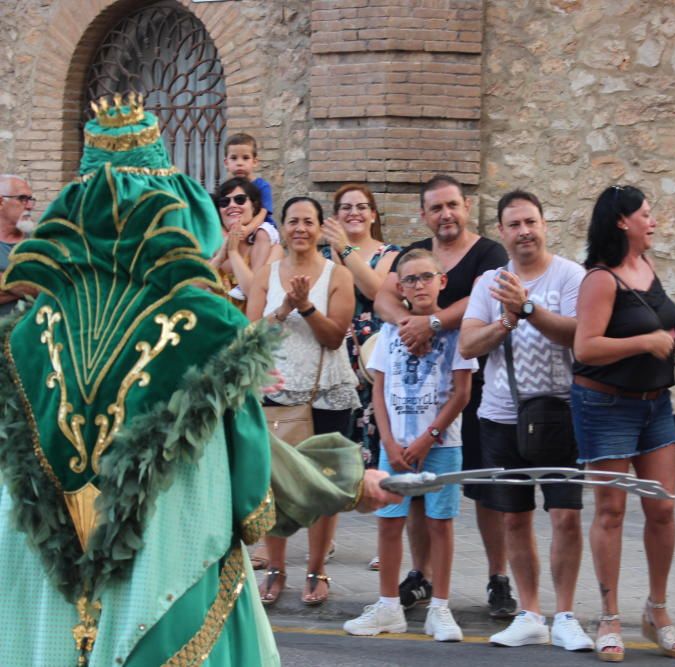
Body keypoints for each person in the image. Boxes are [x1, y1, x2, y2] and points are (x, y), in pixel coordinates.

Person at [0, 94, 394, 667]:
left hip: (44, 587)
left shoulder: (26, 334)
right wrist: (344, 479)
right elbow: (253, 479)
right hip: (166, 566)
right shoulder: (207, 324)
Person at [572, 184, 675, 662]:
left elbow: (654, 317)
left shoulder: (646, 267)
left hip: (656, 406)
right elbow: (585, 347)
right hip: (605, 406)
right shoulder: (600, 279)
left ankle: (657, 609)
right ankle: (608, 616)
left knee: (663, 509)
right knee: (610, 512)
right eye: (646, 214)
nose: (654, 221)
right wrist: (644, 343)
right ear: (622, 222)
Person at [374, 174, 515, 616]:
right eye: (436, 208)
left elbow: (481, 298)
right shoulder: (416, 253)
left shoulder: (489, 253)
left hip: (480, 387)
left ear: (467, 206)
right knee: (419, 489)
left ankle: (498, 578)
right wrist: (407, 325)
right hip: (422, 398)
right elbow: (382, 296)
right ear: (424, 214)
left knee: (484, 490)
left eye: (452, 205)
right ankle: (423, 576)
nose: (445, 215)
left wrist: (432, 324)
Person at [459, 190, 594, 651]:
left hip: (559, 414)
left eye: (531, 222)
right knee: (514, 519)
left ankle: (568, 614)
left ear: (544, 224)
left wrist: (530, 309)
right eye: (514, 225)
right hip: (500, 417)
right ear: (502, 231)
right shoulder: (487, 284)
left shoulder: (572, 276)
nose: (524, 232)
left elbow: (579, 335)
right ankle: (531, 612)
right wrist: (507, 322)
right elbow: (468, 346)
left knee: (565, 517)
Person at [345, 248, 476, 642]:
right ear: (399, 286)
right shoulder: (389, 333)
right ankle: (388, 605)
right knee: (389, 523)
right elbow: (380, 391)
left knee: (440, 523)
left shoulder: (456, 331)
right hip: (395, 445)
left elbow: (461, 393)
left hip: (440, 443)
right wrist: (387, 439)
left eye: (426, 277)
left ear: (442, 282)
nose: (419, 285)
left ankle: (441, 607)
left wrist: (428, 438)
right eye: (411, 279)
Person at [246, 196, 361, 607]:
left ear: (319, 227)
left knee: (324, 486)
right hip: (274, 392)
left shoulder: (337, 275)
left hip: (325, 393)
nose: (300, 229)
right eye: (292, 221)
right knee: (273, 484)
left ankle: (316, 569)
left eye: (308, 222)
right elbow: (252, 333)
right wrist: (283, 308)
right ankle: (276, 570)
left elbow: (333, 337)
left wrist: (307, 307)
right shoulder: (267, 273)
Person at [322, 184, 401, 467]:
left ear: (373, 215)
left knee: (373, 423)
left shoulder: (389, 253)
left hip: (370, 355)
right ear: (336, 216)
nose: (353, 212)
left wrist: (343, 248)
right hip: (332, 349)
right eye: (346, 207)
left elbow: (375, 290)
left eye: (361, 207)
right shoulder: (321, 254)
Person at [211, 177, 279, 310]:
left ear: (254, 207)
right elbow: (186, 291)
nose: (232, 205)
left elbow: (254, 295)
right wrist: (219, 258)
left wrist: (233, 252)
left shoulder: (272, 250)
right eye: (224, 202)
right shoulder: (209, 246)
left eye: (240, 199)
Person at [223, 132, 278, 236]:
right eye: (234, 158)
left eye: (245, 158)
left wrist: (249, 229)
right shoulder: (227, 189)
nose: (239, 163)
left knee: (262, 233)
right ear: (226, 163)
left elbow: (263, 212)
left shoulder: (262, 186)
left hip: (260, 228)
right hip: (237, 229)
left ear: (254, 162)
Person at [0, 174, 35, 315]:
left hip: (33, 333)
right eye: (23, 199)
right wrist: (35, 283)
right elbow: (45, 286)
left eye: (31, 199)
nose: (30, 206)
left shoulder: (39, 242)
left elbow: (56, 287)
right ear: (1, 202)